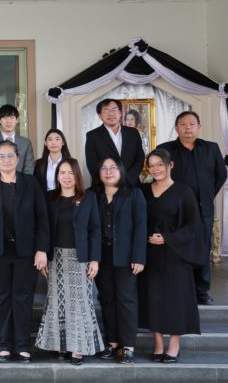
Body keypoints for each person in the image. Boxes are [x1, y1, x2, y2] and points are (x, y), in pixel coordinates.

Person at [0, 141, 48, 363]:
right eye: (2, 156)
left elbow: (42, 218)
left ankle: (22, 346)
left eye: (10, 156)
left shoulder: (31, 183)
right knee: (1, 298)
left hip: (26, 252)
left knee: (23, 298)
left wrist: (42, 249)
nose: (6, 160)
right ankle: (4, 345)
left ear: (18, 158)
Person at [35, 158, 104, 365]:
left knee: (80, 303)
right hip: (55, 257)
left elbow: (95, 229)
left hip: (80, 258)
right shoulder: (50, 197)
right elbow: (43, 228)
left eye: (70, 173)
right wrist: (44, 255)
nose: (66, 177)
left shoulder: (88, 197)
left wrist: (95, 259)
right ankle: (62, 345)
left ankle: (79, 348)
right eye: (62, 172)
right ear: (57, 176)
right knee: (57, 302)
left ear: (77, 175)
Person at [139, 148, 203, 363]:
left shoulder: (184, 192)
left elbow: (193, 226)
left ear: (170, 165)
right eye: (151, 165)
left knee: (176, 299)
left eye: (160, 164)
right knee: (153, 298)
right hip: (150, 254)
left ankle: (174, 345)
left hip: (176, 253)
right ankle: (158, 344)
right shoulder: (143, 191)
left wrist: (167, 238)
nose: (155, 169)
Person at [157, 111, 227, 305]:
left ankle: (201, 291)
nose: (187, 128)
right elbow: (158, 173)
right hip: (174, 210)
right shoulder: (165, 149)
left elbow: (221, 174)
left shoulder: (211, 148)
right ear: (176, 128)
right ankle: (177, 289)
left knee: (202, 249)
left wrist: (206, 194)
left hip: (203, 209)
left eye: (191, 124)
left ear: (199, 127)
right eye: (183, 124)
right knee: (175, 248)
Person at [91, 157, 146, 364]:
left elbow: (141, 227)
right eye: (104, 168)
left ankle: (128, 346)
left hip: (126, 256)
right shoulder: (93, 195)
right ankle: (112, 342)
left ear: (121, 171)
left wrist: (139, 257)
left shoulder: (134, 194)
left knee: (126, 300)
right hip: (100, 256)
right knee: (107, 299)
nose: (108, 172)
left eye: (113, 167)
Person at [85, 98, 145, 187]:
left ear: (120, 113)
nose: (111, 114)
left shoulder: (133, 133)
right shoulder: (92, 135)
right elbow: (92, 165)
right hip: (105, 188)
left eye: (114, 110)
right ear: (100, 115)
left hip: (132, 186)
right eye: (106, 110)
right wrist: (109, 183)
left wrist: (127, 180)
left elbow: (139, 159)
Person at [0, 104, 34, 175]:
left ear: (17, 120)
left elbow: (29, 167)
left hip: (21, 181)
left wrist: (22, 181)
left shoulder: (26, 143)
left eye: (12, 118)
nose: (8, 121)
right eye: (5, 118)